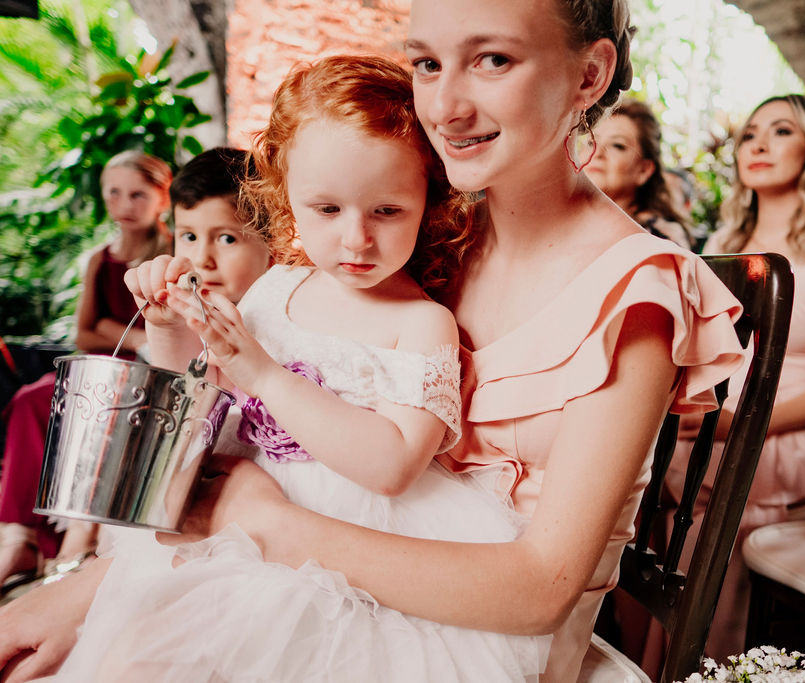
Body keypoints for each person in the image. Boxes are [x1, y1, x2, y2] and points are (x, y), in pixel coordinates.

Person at [0, 2, 746, 681]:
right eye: (427, 63)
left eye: (493, 59)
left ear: (590, 73)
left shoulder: (635, 291)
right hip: (286, 573)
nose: (446, 107)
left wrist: (261, 523)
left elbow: (537, 593)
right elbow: (268, 453)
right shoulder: (424, 241)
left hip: (467, 636)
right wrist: (86, 598)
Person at [637, 94, 805, 666]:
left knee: (706, 492)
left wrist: (732, 424)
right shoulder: (722, 245)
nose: (757, 143)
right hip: (711, 425)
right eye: (750, 132)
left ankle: (706, 662)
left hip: (784, 434)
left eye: (781, 131)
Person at [0, 151, 172, 593]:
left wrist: (122, 335)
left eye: (137, 194)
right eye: (113, 193)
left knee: (86, 404)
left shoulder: (172, 253)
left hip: (152, 372)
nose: (124, 204)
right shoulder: (102, 259)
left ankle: (78, 534)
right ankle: (17, 533)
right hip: (108, 363)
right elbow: (85, 335)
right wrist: (131, 337)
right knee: (33, 397)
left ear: (162, 198)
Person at [585, 98, 693, 247]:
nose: (596, 153)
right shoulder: (567, 224)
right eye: (591, 142)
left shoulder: (660, 240)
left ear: (644, 170)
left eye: (617, 145)